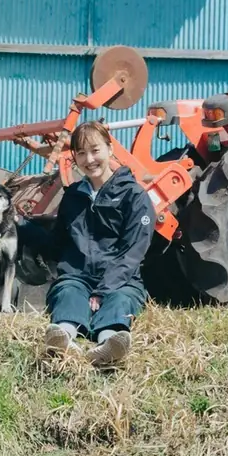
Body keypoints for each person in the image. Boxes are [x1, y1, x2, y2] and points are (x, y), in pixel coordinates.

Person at [34, 120, 156, 368]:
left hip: (122, 278)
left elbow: (133, 251)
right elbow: (58, 242)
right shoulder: (73, 196)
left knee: (121, 299)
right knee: (67, 292)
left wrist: (104, 289)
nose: (89, 159)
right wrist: (24, 231)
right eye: (81, 153)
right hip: (77, 274)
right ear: (75, 158)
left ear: (110, 150)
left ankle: (109, 343)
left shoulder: (134, 196)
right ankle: (64, 338)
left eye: (95, 150)